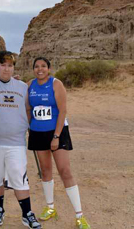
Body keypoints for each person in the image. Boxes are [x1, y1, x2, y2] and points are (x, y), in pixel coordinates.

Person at [27, 57, 91, 229]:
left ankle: (79, 216)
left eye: (43, 66)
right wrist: (28, 127)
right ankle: (50, 208)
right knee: (46, 170)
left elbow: (63, 111)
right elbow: (28, 109)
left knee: (65, 171)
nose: (40, 69)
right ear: (33, 69)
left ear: (49, 68)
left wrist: (56, 136)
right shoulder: (29, 85)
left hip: (57, 131)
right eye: (37, 66)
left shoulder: (56, 84)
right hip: (37, 132)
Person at [0, 51, 42, 229]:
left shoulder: (22, 86)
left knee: (19, 176)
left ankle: (27, 214)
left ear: (13, 67)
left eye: (10, 65)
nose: (6, 69)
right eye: (3, 65)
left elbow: (28, 109)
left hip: (16, 142)